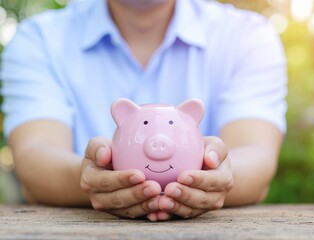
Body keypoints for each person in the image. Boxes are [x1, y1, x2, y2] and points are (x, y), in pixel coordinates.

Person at [0, 0, 287, 221]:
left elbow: (256, 155)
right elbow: (34, 157)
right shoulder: (38, 39)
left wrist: (218, 170)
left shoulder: (247, 35)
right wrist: (88, 178)